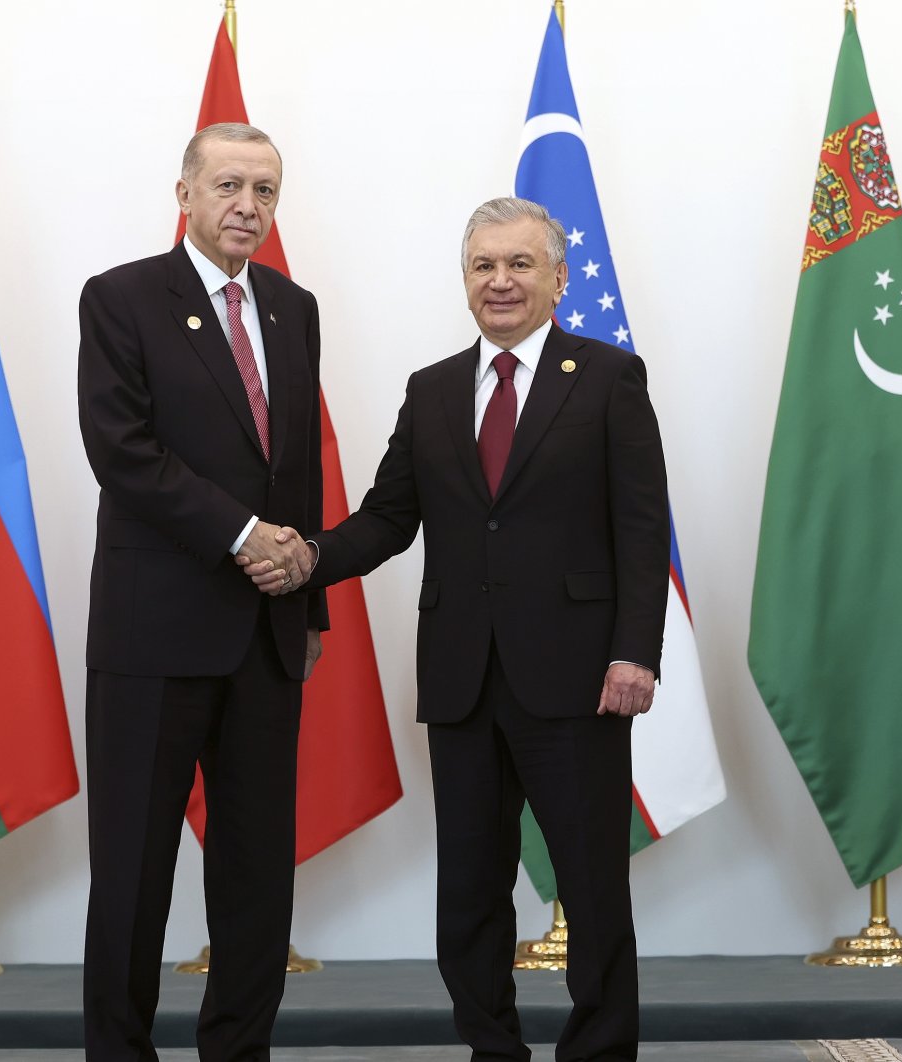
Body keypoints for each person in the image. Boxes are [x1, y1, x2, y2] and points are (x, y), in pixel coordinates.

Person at [244, 197, 669, 1061]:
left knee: (592, 889)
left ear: (556, 279)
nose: (501, 282)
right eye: (484, 266)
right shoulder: (433, 389)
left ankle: (599, 1051)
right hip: (462, 679)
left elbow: (642, 525)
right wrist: (305, 559)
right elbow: (387, 517)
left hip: (579, 678)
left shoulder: (610, 378)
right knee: (469, 893)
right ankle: (492, 1049)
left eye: (519, 265)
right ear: (465, 281)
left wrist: (635, 652)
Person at [78, 121, 325, 1062]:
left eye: (265, 191)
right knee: (135, 876)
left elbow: (298, 467)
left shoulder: (294, 309)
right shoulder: (123, 298)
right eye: (229, 186)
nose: (247, 207)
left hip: (267, 633)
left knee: (258, 877)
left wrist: (308, 597)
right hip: (154, 638)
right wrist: (242, 535)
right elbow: (124, 454)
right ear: (184, 193)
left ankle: (238, 1052)